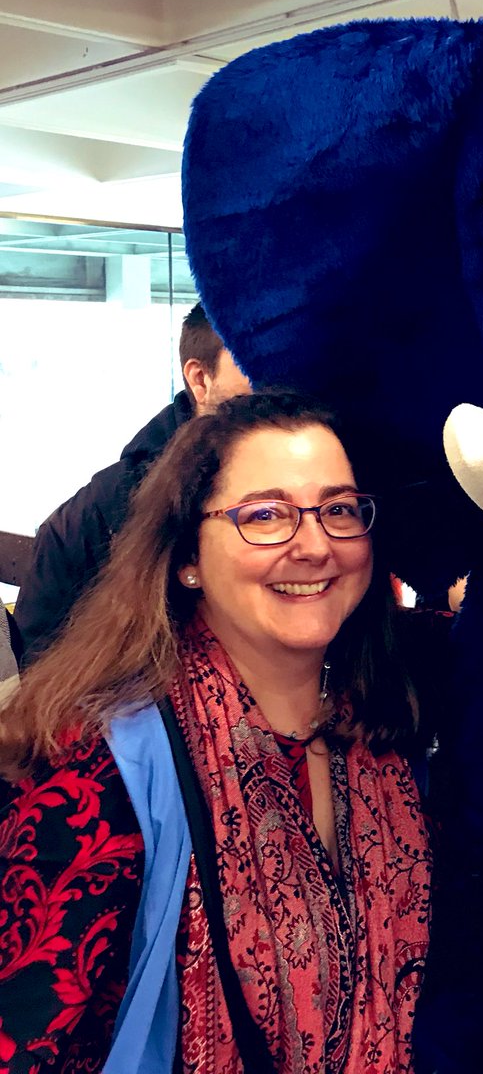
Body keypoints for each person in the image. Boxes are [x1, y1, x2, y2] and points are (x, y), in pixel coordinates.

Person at [0, 390, 432, 1073]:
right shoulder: (95, 764)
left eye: (340, 510)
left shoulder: (386, 732)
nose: (316, 545)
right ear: (187, 557)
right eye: (266, 515)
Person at [14, 303, 252, 660]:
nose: (280, 382)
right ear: (201, 379)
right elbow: (42, 676)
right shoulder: (100, 515)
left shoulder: (341, 474)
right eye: (253, 362)